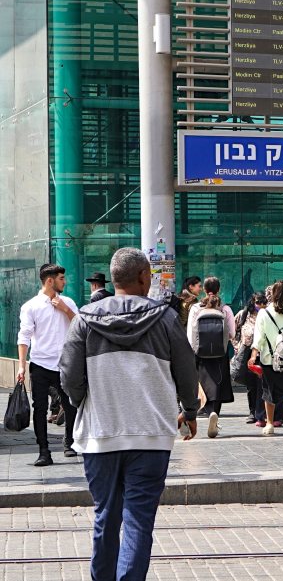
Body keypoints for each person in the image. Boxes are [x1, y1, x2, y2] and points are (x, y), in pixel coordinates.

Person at [59, 247, 199, 581]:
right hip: (151, 436)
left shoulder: (85, 320)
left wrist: (84, 402)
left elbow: (68, 375)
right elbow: (186, 371)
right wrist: (190, 411)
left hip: (99, 436)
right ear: (142, 277)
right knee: (138, 519)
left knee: (106, 516)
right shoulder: (165, 319)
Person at [17, 263, 79, 466]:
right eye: (62, 278)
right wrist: (21, 365)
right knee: (40, 408)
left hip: (65, 364)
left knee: (71, 407)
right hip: (40, 364)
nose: (65, 282)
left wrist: (65, 310)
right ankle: (44, 451)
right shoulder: (31, 306)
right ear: (50, 281)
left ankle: (69, 442)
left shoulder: (68, 302)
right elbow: (24, 336)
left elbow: (80, 326)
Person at [249, 280, 283, 436]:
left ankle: (270, 424)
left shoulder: (264, 313)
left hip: (269, 359)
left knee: (269, 392)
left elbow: (258, 337)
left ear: (272, 294)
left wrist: (253, 355)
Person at [186, 276, 236, 438]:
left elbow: (190, 334)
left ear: (204, 289)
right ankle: (215, 414)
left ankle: (208, 413)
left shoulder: (195, 308)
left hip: (200, 354)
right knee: (218, 384)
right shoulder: (225, 309)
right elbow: (232, 333)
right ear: (219, 289)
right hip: (220, 354)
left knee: (202, 385)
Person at [234, 293, 267, 426]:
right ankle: (252, 412)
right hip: (247, 353)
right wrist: (237, 346)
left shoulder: (266, 315)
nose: (261, 305)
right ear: (252, 302)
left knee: (261, 385)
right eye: (258, 302)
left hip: (262, 353)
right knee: (250, 384)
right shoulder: (243, 314)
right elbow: (232, 331)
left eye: (263, 302)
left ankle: (261, 412)